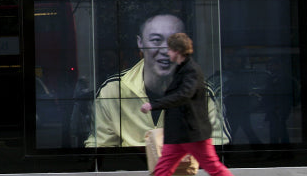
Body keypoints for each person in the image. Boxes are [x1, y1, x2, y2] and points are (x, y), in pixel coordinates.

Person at [121, 33, 260, 176]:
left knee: (215, 169)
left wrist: (155, 105)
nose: (167, 52)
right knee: (163, 168)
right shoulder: (181, 69)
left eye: (169, 49)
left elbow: (184, 95)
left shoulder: (191, 71)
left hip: (193, 133)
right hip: (179, 133)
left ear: (177, 51)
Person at [85, 13, 229, 147]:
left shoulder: (202, 92)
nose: (166, 50)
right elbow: (100, 151)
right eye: (156, 40)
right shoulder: (113, 90)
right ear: (140, 43)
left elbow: (217, 147)